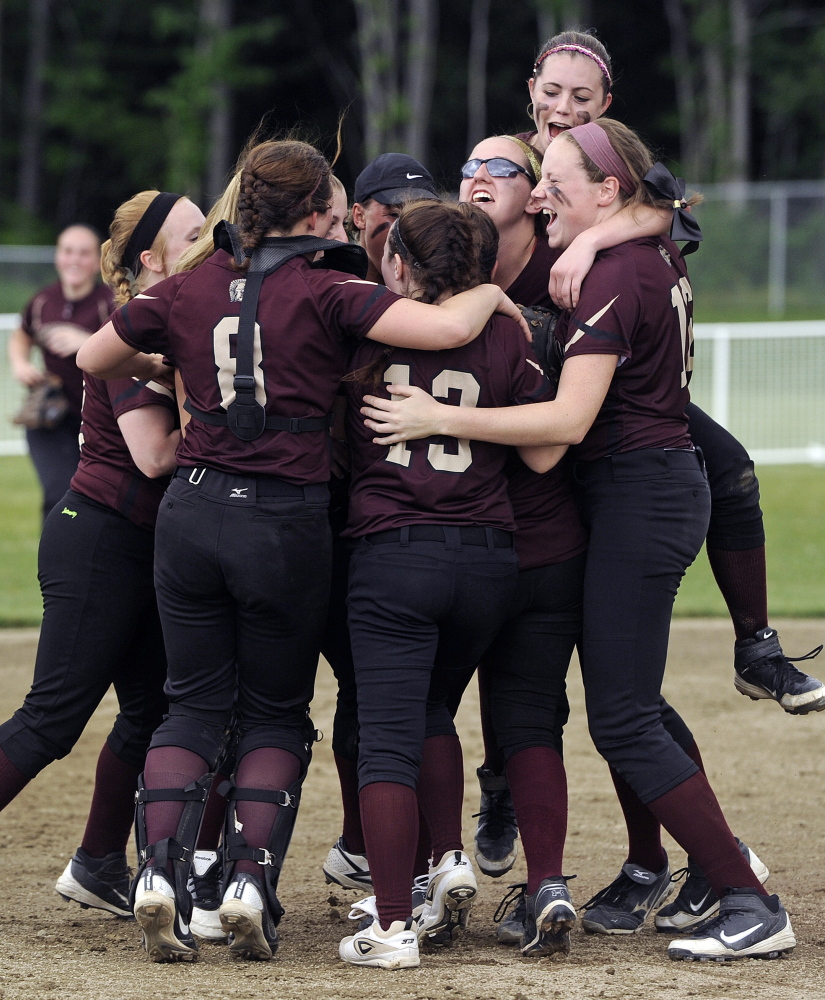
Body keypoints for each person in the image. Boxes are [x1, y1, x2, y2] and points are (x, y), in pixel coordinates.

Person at [76, 138, 529, 965]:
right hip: (281, 521)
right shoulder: (330, 290)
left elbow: (92, 356)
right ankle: (247, 879)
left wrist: (180, 357)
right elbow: (444, 320)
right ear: (313, 212)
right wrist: (496, 288)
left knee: (190, 705)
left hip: (193, 508)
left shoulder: (185, 286)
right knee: (276, 711)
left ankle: (159, 874)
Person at [359, 119, 797, 964]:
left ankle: (746, 894)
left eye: (557, 178)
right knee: (627, 708)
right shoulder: (636, 247)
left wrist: (437, 415)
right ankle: (713, 876)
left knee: (625, 715)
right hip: (647, 487)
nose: (544, 191)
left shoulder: (613, 268)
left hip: (640, 489)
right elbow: (660, 210)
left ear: (608, 190)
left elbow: (561, 427)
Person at [519, 29, 824, 716]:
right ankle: (503, 779)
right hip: (538, 371)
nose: (563, 107)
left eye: (581, 97)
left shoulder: (600, 169)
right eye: (551, 91)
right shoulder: (510, 161)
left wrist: (594, 234)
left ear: (605, 104)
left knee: (732, 468)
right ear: (530, 89)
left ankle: (756, 646)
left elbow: (672, 206)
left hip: (612, 377)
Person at [336, 200, 557, 969]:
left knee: (386, 739)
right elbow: (543, 455)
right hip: (488, 558)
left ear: (399, 262)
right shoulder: (506, 332)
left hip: (395, 554)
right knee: (433, 710)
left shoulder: (369, 321)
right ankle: (446, 862)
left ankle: (392, 926)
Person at [0, 191, 203, 920]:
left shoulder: (181, 321)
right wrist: (230, 418)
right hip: (99, 539)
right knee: (52, 718)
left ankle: (96, 861)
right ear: (149, 259)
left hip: (141, 546)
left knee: (150, 712)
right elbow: (153, 458)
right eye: (193, 235)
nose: (211, 241)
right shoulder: (127, 328)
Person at [8, 225, 113, 522]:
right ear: (57, 257)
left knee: (95, 499)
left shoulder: (110, 302)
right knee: (59, 492)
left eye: (84, 252)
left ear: (96, 261)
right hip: (50, 417)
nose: (75, 259)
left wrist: (88, 344)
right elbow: (21, 335)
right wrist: (20, 363)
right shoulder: (43, 300)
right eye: (68, 251)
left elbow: (136, 351)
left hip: (98, 420)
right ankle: (53, 564)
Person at [351, 153, 438, 281]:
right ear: (360, 216)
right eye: (394, 214)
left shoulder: (446, 285)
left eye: (422, 215)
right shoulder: (332, 288)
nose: (411, 227)